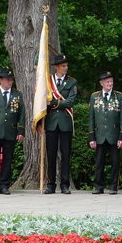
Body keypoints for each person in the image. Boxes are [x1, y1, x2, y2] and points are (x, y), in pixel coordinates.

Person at [88, 71, 122, 195]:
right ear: (101, 83)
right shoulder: (94, 96)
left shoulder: (119, 96)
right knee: (99, 163)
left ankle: (113, 187)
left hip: (114, 135)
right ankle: (98, 187)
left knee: (115, 162)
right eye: (107, 82)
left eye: (111, 81)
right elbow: (91, 118)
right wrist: (91, 137)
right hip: (99, 135)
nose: (110, 84)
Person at [44, 54, 77, 194]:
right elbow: (43, 101)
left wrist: (54, 103)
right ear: (56, 67)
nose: (66, 68)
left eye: (67, 65)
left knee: (65, 154)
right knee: (50, 155)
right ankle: (51, 184)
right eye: (63, 66)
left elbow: (70, 101)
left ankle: (65, 185)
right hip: (51, 122)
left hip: (65, 122)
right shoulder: (47, 81)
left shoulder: (72, 82)